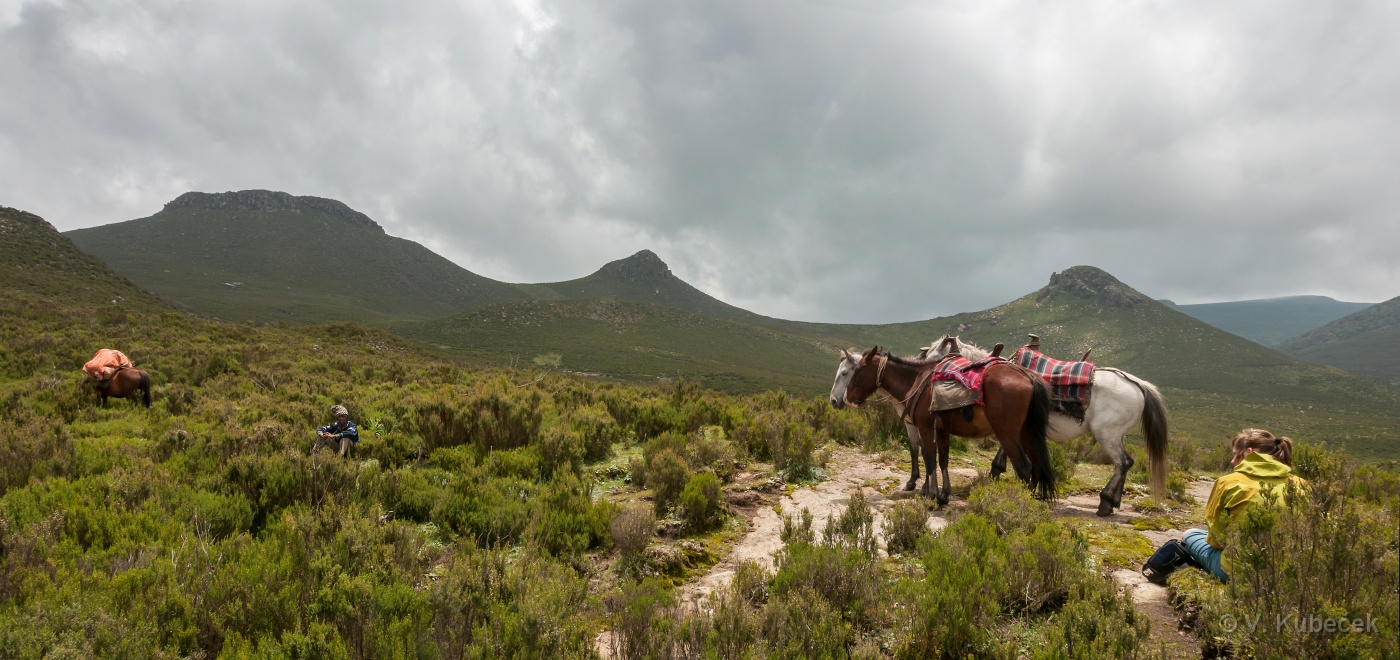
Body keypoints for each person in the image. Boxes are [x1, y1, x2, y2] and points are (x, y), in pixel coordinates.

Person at [1178, 428, 1305, 583]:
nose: (1232, 461)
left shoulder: (1228, 482)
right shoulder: (1302, 485)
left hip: (1238, 573)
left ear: (1249, 452)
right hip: (1288, 574)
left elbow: (1216, 540)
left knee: (1190, 534)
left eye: (1234, 454)